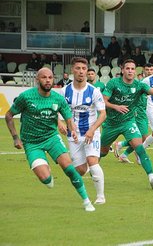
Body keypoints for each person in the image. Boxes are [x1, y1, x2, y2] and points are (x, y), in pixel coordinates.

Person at [5, 67, 95, 211]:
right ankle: (46, 172)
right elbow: (9, 115)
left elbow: (68, 118)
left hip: (51, 138)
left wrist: (72, 130)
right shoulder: (26, 97)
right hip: (32, 142)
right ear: (37, 79)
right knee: (46, 180)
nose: (47, 80)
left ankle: (86, 201)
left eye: (50, 77)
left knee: (70, 169)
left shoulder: (58, 98)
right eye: (44, 77)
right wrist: (16, 138)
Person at [100, 59, 153, 190]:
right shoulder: (113, 83)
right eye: (127, 68)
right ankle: (91, 165)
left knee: (139, 147)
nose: (130, 71)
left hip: (128, 122)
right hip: (111, 123)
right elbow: (103, 101)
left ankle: (152, 177)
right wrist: (115, 106)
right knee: (103, 151)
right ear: (122, 70)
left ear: (135, 71)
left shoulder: (139, 85)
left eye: (132, 69)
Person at [58, 57, 107, 204]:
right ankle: (89, 171)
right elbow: (55, 110)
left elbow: (103, 114)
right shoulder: (63, 91)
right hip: (73, 135)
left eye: (83, 69)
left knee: (93, 161)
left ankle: (100, 196)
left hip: (91, 133)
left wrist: (93, 130)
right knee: (79, 169)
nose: (81, 71)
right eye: (78, 68)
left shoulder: (94, 91)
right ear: (72, 70)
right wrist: (59, 122)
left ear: (87, 71)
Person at [114, 63, 153, 164]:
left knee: (141, 138)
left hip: (144, 113)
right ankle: (138, 157)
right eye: (147, 70)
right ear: (143, 72)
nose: (149, 71)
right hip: (137, 113)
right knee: (144, 138)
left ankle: (123, 150)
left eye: (151, 70)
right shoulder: (140, 84)